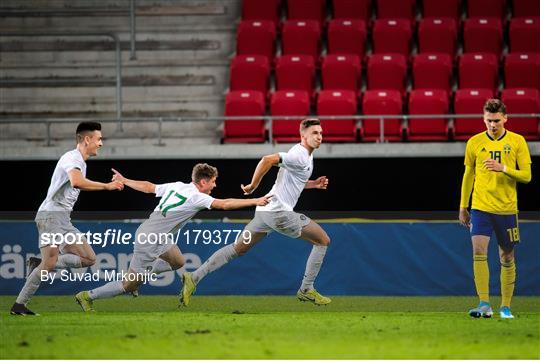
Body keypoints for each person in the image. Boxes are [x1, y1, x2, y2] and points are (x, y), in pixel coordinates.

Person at [75, 163, 272, 311]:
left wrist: (125, 180)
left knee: (178, 261)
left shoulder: (178, 186)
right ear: (203, 182)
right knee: (129, 284)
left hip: (156, 235)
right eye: (212, 181)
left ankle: (139, 279)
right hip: (150, 239)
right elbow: (225, 204)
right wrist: (255, 201)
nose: (214, 185)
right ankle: (87, 296)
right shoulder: (197, 196)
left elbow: (149, 186)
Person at [180, 118, 332, 306]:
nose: (319, 136)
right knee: (323, 241)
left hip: (265, 212)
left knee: (237, 249)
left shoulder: (305, 156)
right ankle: (306, 289)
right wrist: (253, 186)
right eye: (315, 133)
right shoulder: (300, 154)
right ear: (303, 136)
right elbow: (267, 160)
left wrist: (313, 184)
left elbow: (294, 181)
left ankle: (193, 278)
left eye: (321, 133)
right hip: (279, 213)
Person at [10, 122, 124, 315]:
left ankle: (40, 264)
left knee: (89, 258)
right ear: (87, 139)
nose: (101, 143)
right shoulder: (72, 158)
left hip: (61, 220)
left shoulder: (80, 162)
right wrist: (106, 186)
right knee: (51, 262)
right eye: (99, 139)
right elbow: (76, 182)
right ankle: (19, 305)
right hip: (51, 217)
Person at [459, 99, 532, 319]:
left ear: (505, 119)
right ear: (483, 119)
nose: (492, 125)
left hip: (507, 209)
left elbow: (527, 176)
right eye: (489, 120)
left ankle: (506, 306)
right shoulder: (474, 142)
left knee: (507, 256)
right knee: (478, 251)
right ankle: (484, 304)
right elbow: (468, 174)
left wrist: (504, 168)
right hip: (481, 207)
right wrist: (463, 206)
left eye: (496, 121)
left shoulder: (517, 142)